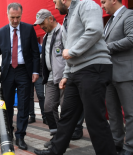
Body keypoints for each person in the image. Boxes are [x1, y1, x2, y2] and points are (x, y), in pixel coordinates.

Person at [34, 0, 117, 154]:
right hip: (75, 72)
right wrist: (66, 74)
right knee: (67, 116)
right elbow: (68, 49)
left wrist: (72, 51)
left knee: (95, 120)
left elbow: (95, 30)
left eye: (55, 2)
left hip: (93, 68)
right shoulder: (68, 17)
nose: (55, 5)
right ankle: (55, 151)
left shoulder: (87, 5)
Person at [0, 2, 40, 150]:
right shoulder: (1, 32)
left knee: (24, 106)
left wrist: (35, 71)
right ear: (8, 15)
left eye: (18, 17)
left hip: (24, 71)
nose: (15, 21)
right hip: (7, 72)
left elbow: (35, 53)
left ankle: (20, 136)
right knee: (6, 105)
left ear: (21, 15)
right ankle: (7, 134)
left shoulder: (29, 29)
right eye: (12, 17)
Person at [34, 9, 84, 149]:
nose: (41, 26)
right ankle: (56, 137)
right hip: (50, 77)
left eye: (42, 23)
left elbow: (70, 53)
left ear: (51, 19)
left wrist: (68, 75)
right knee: (48, 108)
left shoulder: (63, 32)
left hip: (64, 76)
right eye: (39, 24)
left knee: (66, 109)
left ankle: (63, 140)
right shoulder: (45, 37)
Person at [101, 0, 133, 154]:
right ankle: (116, 143)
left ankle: (130, 146)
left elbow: (131, 39)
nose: (102, 5)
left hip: (125, 73)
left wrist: (107, 47)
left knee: (130, 113)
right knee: (113, 113)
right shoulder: (109, 21)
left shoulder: (129, 15)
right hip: (110, 75)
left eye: (103, 1)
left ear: (113, 0)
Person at [28, 43, 47, 125]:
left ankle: (45, 117)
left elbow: (41, 52)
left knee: (41, 95)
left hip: (38, 74)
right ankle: (31, 116)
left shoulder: (38, 46)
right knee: (29, 96)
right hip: (27, 75)